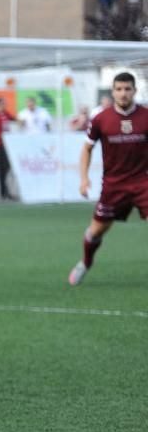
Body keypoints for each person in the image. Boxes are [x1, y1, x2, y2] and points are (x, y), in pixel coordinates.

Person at [68, 72, 148, 286]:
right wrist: (83, 179)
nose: (123, 93)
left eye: (127, 89)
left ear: (134, 91)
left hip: (143, 182)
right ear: (113, 92)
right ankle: (86, 262)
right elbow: (86, 149)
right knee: (97, 230)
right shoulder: (101, 119)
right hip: (114, 185)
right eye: (119, 89)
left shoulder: (146, 116)